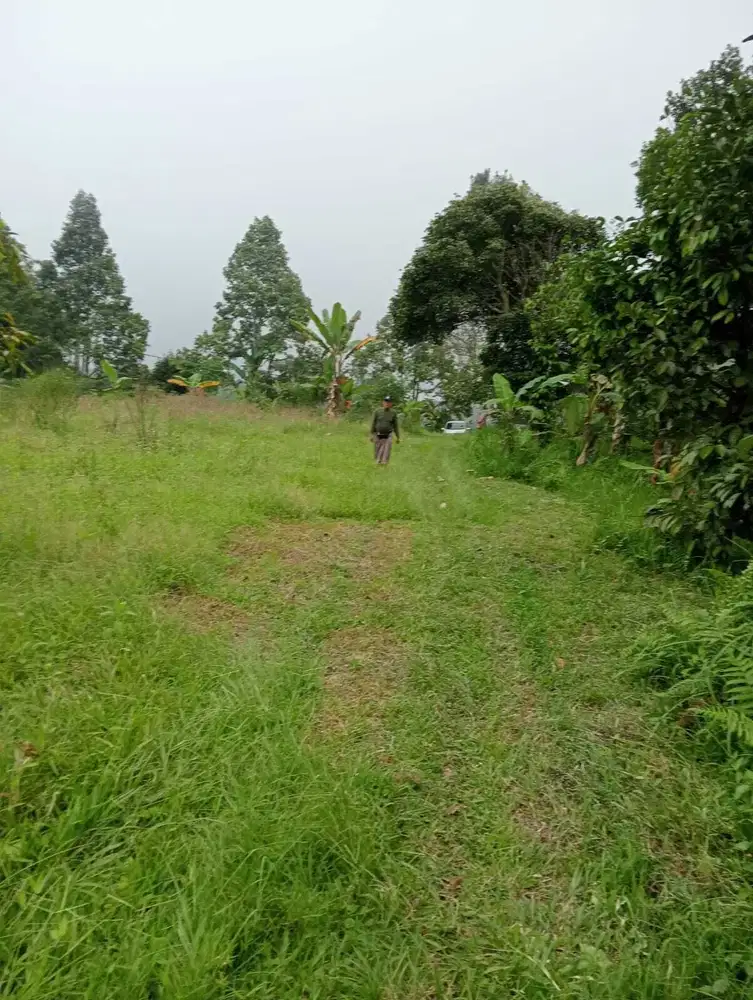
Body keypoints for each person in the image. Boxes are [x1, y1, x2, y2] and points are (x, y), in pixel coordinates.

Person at [371, 396, 400, 464]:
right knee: (377, 450)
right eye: (386, 402)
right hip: (378, 434)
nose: (387, 403)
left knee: (387, 449)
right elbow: (373, 423)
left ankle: (384, 463)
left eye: (389, 402)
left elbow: (396, 426)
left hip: (388, 434)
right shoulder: (377, 411)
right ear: (383, 403)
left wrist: (398, 437)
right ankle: (378, 462)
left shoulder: (393, 412)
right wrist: (371, 435)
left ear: (391, 404)